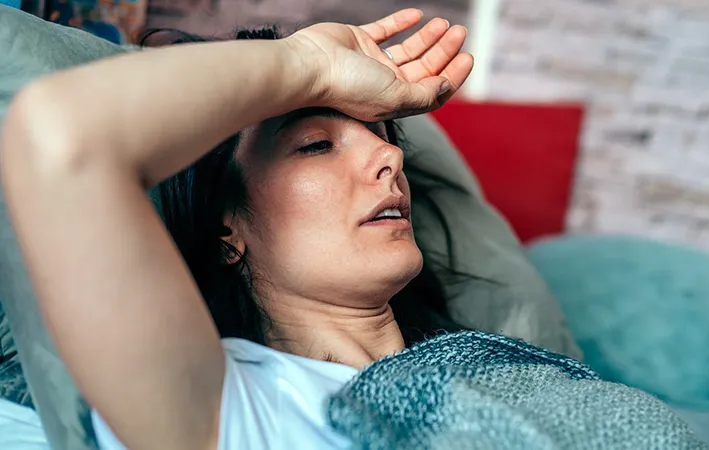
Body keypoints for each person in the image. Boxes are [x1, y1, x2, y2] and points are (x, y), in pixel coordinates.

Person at [1, 8, 474, 450]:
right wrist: (310, 63)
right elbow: (55, 131)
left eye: (383, 136)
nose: (391, 158)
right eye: (315, 145)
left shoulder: (477, 362)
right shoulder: (230, 407)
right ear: (225, 231)